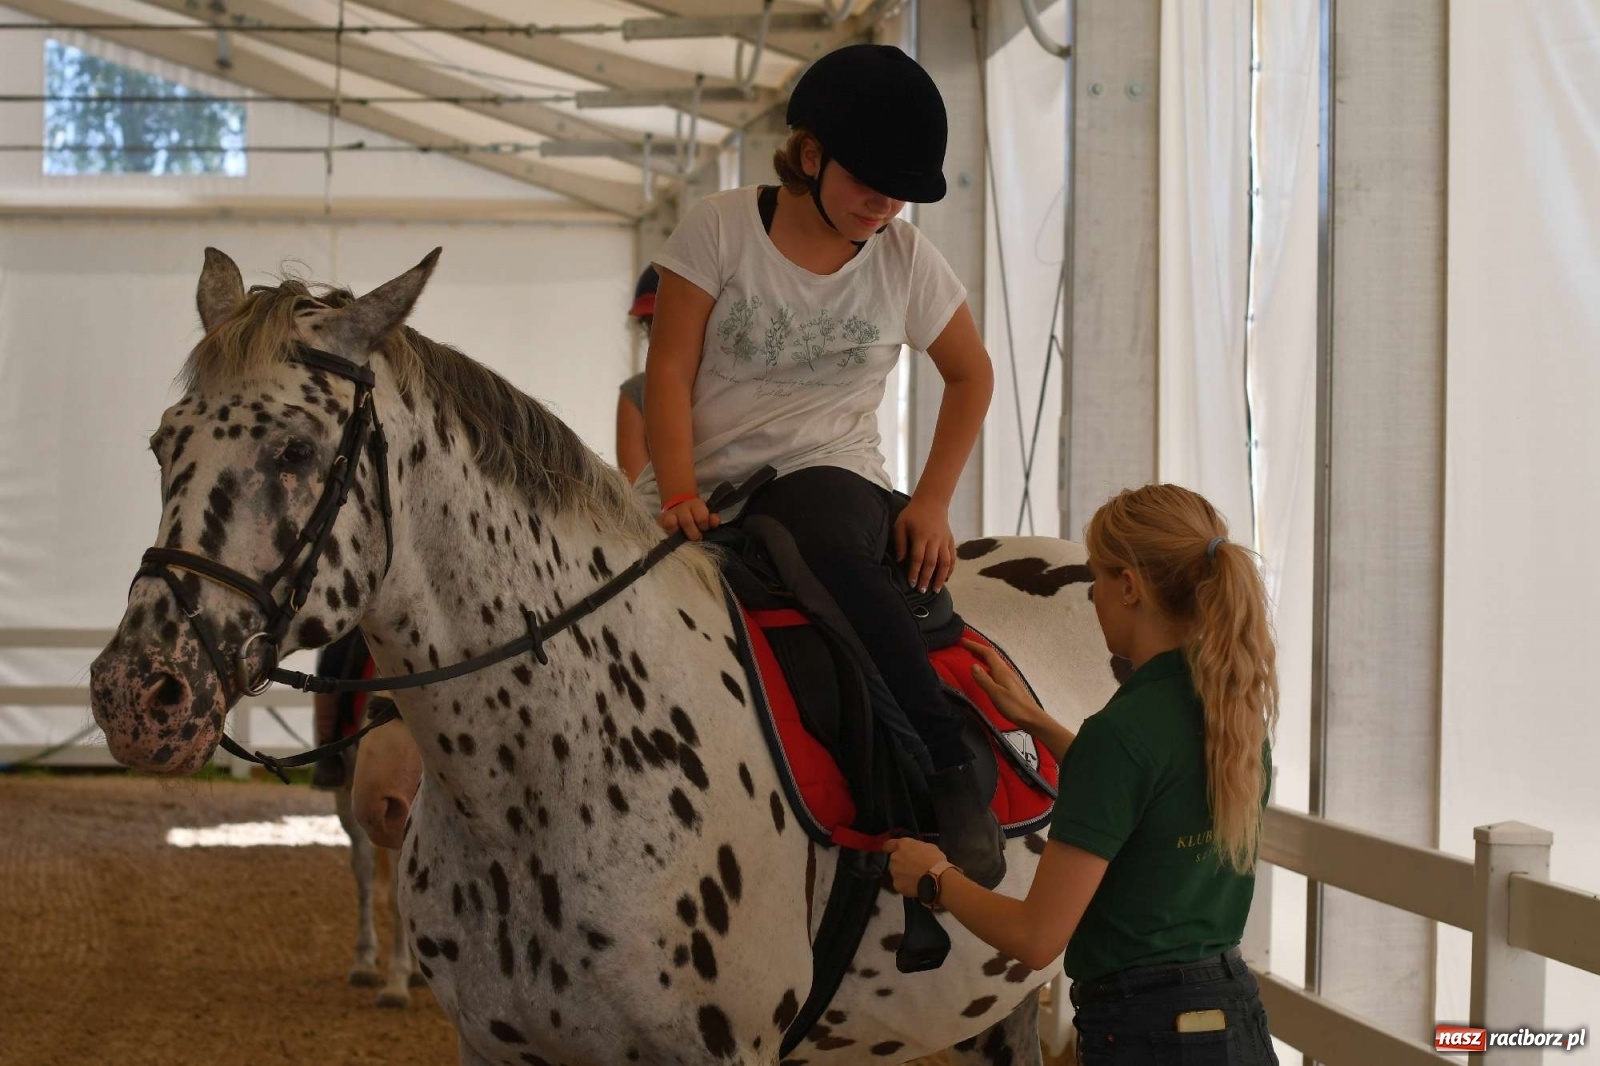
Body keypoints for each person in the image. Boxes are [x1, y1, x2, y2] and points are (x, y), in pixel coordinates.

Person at [634, 44, 1003, 884]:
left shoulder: (908, 262)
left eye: (901, 191)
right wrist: (679, 489)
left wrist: (934, 501)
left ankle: (944, 769)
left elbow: (972, 374)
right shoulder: (719, 228)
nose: (885, 205)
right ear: (809, 155)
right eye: (870, 181)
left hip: (829, 471)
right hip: (694, 483)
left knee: (825, 544)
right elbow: (669, 367)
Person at [885, 484, 1279, 1064]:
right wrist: (1036, 722)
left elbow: (1036, 938)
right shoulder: (1234, 715)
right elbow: (1149, 800)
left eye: (1097, 579)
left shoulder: (1119, 734)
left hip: (1145, 1035)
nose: (1092, 595)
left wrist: (936, 875)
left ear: (1129, 587)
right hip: (1234, 1017)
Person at [616, 266, 658, 484]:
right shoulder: (636, 392)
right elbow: (639, 492)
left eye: (669, 317)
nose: (658, 331)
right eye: (650, 322)